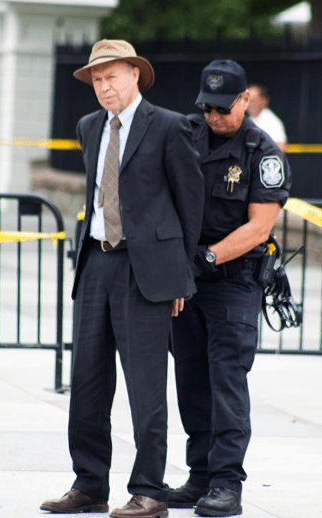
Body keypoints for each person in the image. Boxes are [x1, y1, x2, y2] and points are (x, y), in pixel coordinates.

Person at [40, 39, 204, 517]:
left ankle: (150, 489)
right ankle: (89, 483)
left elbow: (191, 207)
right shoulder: (89, 127)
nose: (103, 85)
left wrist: (181, 277)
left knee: (146, 388)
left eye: (112, 75)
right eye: (96, 78)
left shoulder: (171, 127)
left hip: (146, 270)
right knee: (87, 380)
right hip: (95, 262)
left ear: (135, 74)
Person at [167, 60, 291, 517]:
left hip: (233, 283)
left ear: (244, 100)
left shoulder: (264, 151)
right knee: (191, 383)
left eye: (223, 108)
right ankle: (199, 476)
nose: (214, 116)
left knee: (226, 385)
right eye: (207, 107)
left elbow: (260, 227)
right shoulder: (187, 133)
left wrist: (209, 256)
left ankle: (226, 484)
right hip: (186, 281)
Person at [247, 83, 288, 153]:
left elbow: (281, 147)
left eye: (253, 100)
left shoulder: (271, 121)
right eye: (247, 100)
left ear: (264, 101)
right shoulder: (248, 119)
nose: (250, 103)